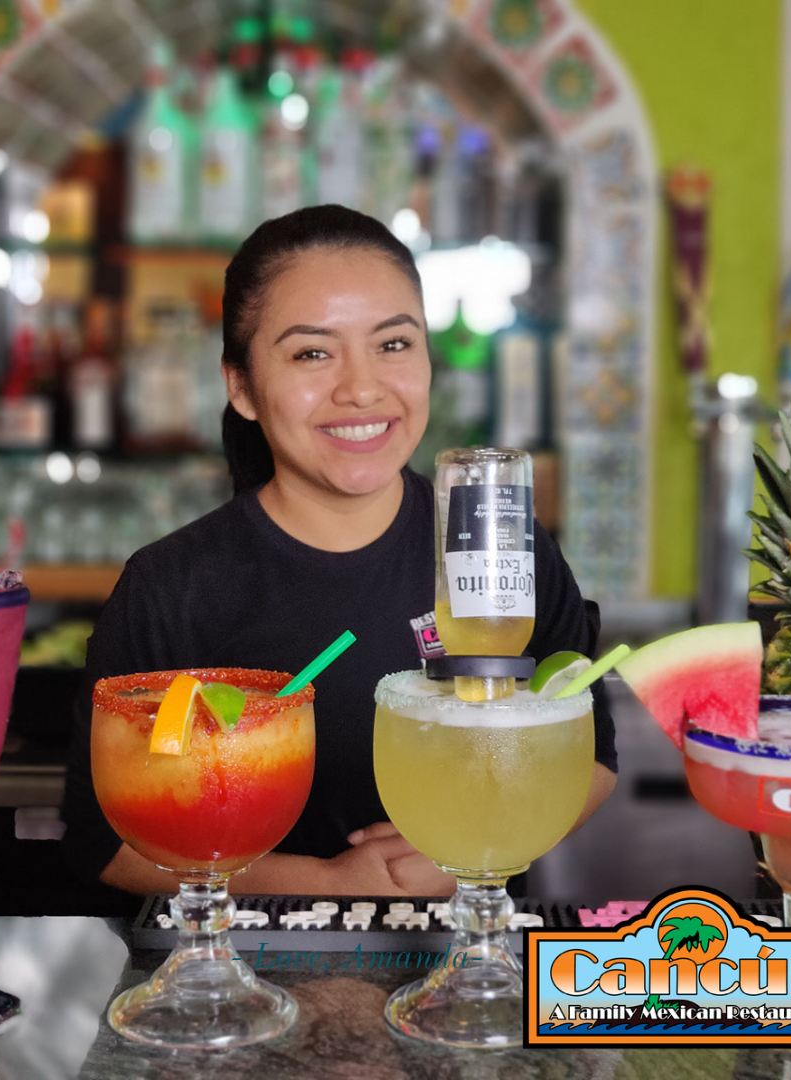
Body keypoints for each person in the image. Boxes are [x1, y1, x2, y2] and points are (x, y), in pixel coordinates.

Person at [61, 205, 617, 897]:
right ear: (241, 386)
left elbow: (591, 757)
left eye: (393, 344)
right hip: (231, 985)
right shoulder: (172, 586)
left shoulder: (500, 549)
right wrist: (330, 882)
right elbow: (103, 842)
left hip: (471, 977)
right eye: (312, 353)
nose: (361, 387)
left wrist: (470, 846)